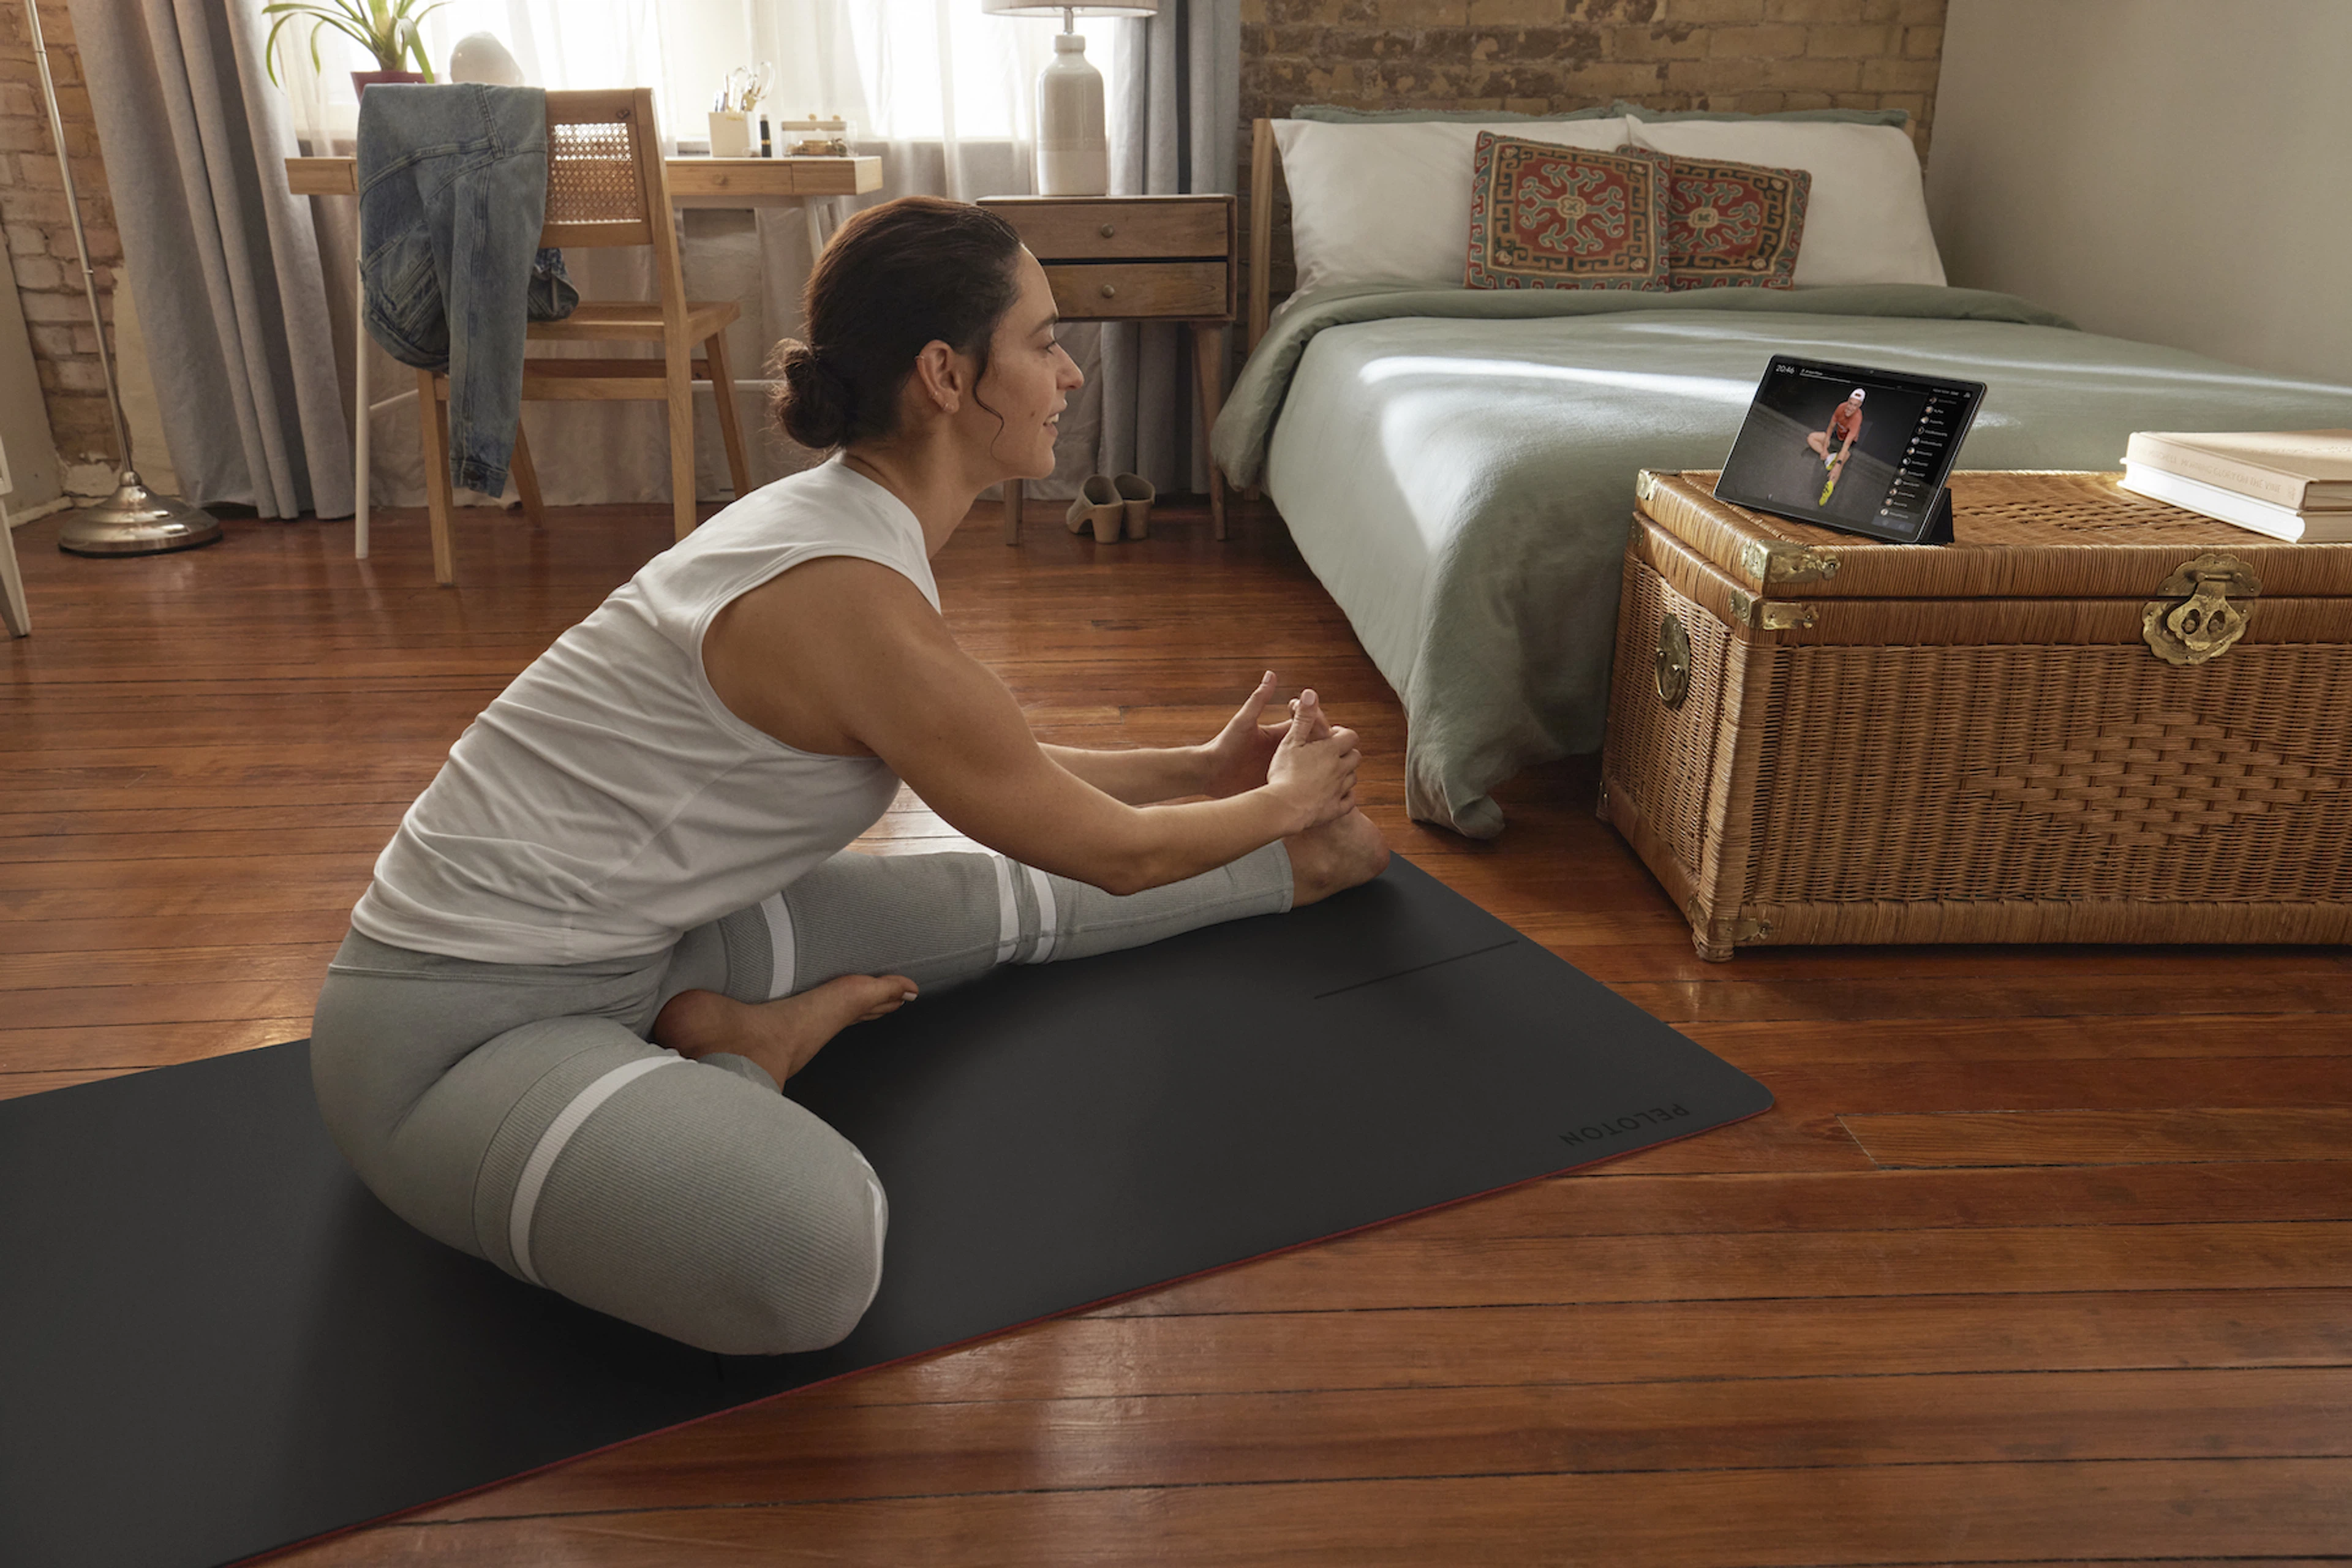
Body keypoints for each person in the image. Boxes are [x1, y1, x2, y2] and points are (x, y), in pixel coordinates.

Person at [308, 196, 1386, 1357]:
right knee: (814, 1257)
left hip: (654, 945)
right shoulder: (851, 595)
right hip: (453, 1042)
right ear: (946, 375)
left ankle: (1296, 876)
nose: (1068, 375)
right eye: (1041, 341)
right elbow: (1111, 857)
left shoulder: (842, 522)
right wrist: (1282, 799)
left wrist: (1201, 773)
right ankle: (743, 1050)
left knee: (981, 901)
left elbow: (988, 767)